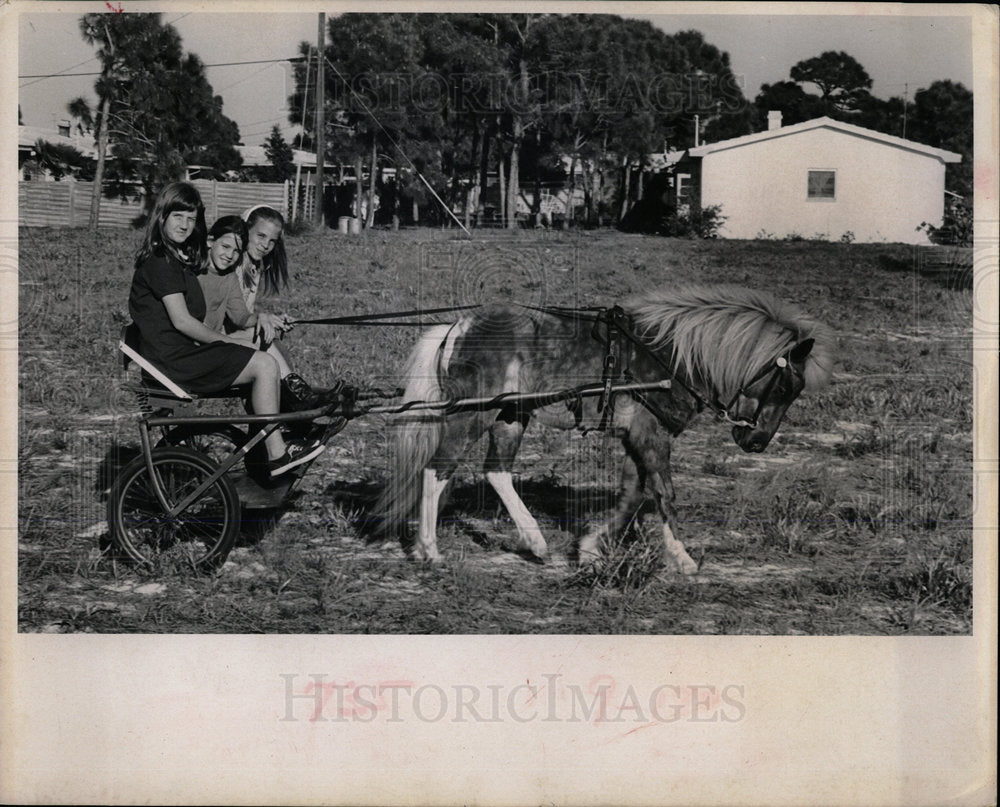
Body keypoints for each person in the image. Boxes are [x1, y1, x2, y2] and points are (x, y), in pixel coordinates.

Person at [128, 182, 323, 478]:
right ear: (162, 216)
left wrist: (261, 321)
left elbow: (237, 314)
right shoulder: (161, 264)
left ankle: (278, 441)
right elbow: (183, 322)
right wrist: (222, 343)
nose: (185, 225)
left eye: (191, 219)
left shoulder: (174, 259)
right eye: (178, 216)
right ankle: (277, 453)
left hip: (177, 355)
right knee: (263, 364)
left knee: (264, 356)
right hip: (175, 363)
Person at [232, 204, 334, 412]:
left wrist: (272, 319)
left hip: (234, 330)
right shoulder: (233, 263)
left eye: (272, 241)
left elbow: (243, 310)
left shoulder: (254, 266)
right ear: (245, 232)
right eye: (260, 236)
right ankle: (298, 399)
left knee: (276, 345)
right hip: (218, 335)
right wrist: (261, 320)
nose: (265, 245)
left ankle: (291, 406)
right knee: (268, 347)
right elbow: (233, 316)